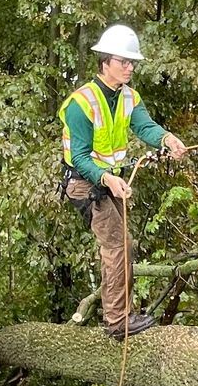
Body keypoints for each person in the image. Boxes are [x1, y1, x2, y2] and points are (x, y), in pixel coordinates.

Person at [59, 25, 187, 338]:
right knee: (116, 245)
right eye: (123, 62)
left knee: (124, 244)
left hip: (108, 181)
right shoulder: (82, 103)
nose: (130, 67)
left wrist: (167, 138)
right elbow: (79, 157)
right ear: (105, 62)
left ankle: (122, 313)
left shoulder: (129, 97)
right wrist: (107, 178)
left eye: (132, 63)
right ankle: (117, 321)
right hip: (84, 184)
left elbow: (145, 127)